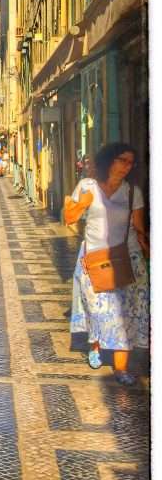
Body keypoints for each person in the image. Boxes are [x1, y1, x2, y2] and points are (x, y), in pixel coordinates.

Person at [64, 142, 149, 386]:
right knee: (99, 312)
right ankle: (96, 342)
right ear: (108, 160)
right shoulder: (87, 186)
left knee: (125, 316)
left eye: (130, 162)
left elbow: (140, 229)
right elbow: (69, 218)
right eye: (121, 159)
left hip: (127, 260)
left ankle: (121, 369)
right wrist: (84, 202)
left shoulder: (133, 192)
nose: (126, 166)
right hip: (94, 259)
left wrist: (148, 252)